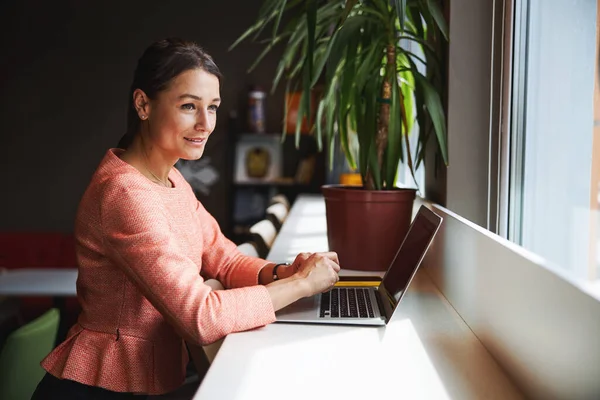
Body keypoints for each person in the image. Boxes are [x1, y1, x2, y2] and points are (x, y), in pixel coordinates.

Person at [32, 38, 340, 399]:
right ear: (143, 104)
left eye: (212, 107)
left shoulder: (171, 178)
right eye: (189, 106)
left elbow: (224, 257)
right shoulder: (125, 194)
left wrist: (282, 272)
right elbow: (201, 315)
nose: (205, 123)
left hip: (145, 383)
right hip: (99, 388)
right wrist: (302, 285)